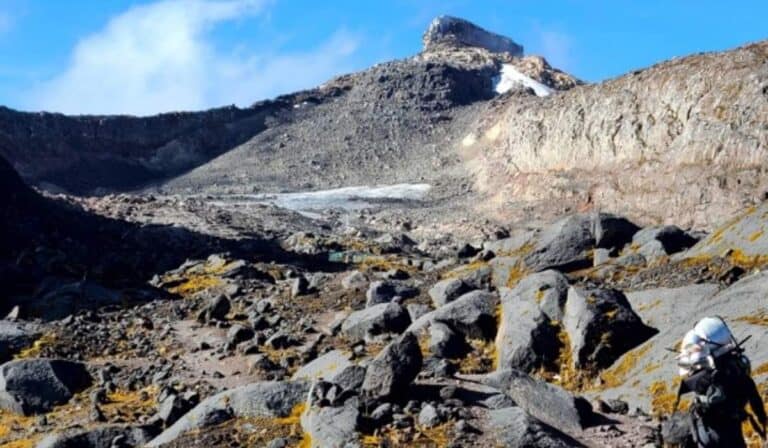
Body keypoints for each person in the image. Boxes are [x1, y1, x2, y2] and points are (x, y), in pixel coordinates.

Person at [674, 317, 766, 447]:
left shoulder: (705, 378)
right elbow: (754, 397)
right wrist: (762, 422)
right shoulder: (735, 372)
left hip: (704, 430)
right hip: (729, 431)